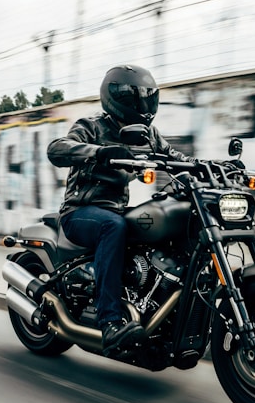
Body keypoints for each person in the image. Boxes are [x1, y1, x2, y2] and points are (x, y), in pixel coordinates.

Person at [47, 64, 194, 358]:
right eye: (135, 98)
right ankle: (110, 322)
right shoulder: (92, 126)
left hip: (115, 210)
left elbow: (174, 157)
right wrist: (97, 152)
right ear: (118, 98)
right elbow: (58, 148)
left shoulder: (147, 135)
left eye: (147, 97)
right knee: (113, 226)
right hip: (81, 211)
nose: (142, 104)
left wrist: (207, 167)